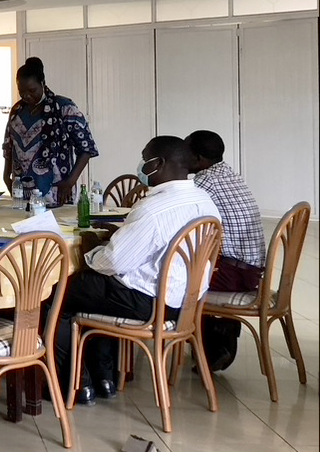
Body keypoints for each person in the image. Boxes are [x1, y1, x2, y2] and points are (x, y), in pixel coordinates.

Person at [52, 136, 221, 405]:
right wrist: (121, 237)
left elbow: (113, 263)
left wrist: (94, 248)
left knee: (59, 292)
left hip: (149, 303)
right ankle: (104, 378)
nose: (141, 166)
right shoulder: (204, 200)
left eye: (146, 159)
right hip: (185, 301)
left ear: (160, 163)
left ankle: (74, 384)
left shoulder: (153, 208)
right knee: (97, 291)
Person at [185, 130, 266, 371]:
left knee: (177, 277)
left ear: (198, 159)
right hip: (249, 269)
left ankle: (215, 336)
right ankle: (216, 332)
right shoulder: (227, 173)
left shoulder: (203, 182)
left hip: (233, 272)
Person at [3, 57, 98, 205]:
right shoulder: (17, 111)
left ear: (42, 83)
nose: (27, 96)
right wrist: (5, 176)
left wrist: (70, 181)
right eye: (21, 92)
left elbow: (86, 148)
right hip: (22, 193)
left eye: (32, 90)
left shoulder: (64, 108)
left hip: (57, 193)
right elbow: (9, 146)